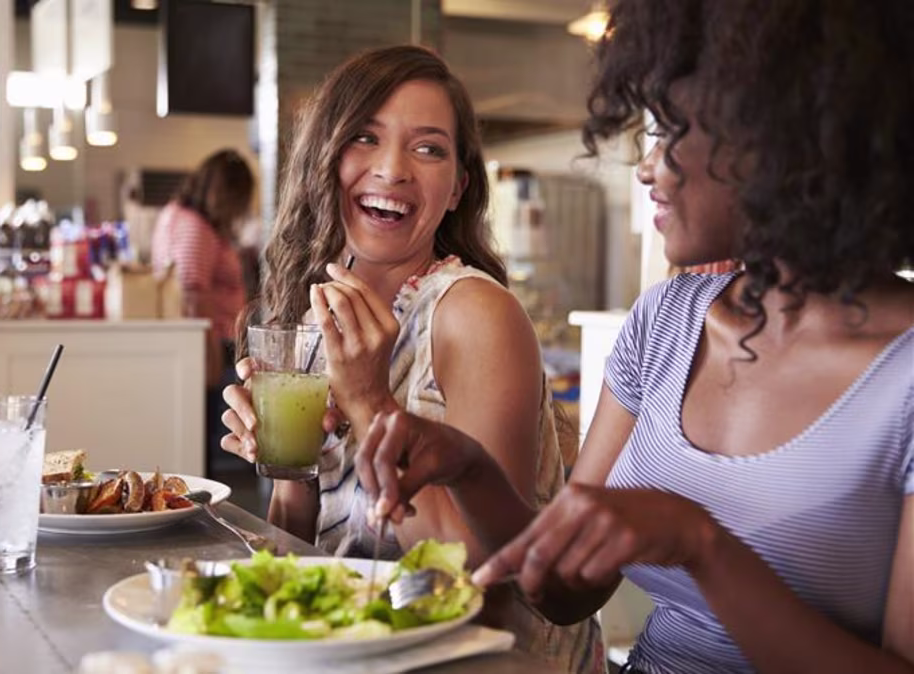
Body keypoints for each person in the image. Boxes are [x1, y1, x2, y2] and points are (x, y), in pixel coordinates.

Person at [354, 2, 914, 673]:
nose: (646, 169)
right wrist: (471, 468)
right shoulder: (666, 321)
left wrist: (699, 543)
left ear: (778, 139)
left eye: (669, 131)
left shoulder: (902, 374)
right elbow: (562, 593)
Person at [218, 45, 603, 672]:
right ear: (324, 160)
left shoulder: (475, 314)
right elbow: (303, 549)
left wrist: (369, 401)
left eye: (428, 148)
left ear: (457, 189)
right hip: (366, 650)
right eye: (365, 138)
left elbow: (474, 577)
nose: (393, 169)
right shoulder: (316, 318)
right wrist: (288, 463)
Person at [151, 149, 254, 472]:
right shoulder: (195, 226)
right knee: (206, 439)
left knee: (205, 436)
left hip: (205, 343)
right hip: (210, 345)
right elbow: (194, 295)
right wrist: (209, 359)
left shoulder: (178, 215)